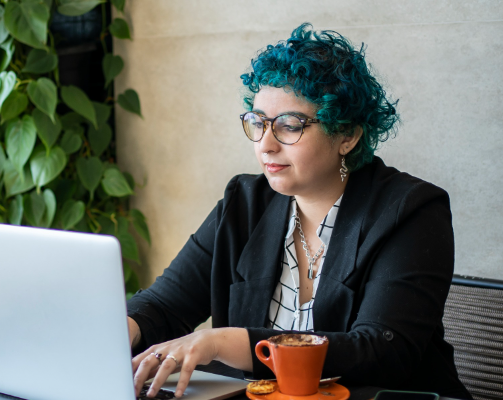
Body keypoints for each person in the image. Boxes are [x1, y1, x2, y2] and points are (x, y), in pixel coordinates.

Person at [125, 23, 472, 399]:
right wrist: (121, 329)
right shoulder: (244, 202)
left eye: (289, 126)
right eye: (258, 123)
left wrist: (227, 342)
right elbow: (163, 304)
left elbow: (381, 351)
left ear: (348, 135)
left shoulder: (412, 211)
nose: (266, 145)